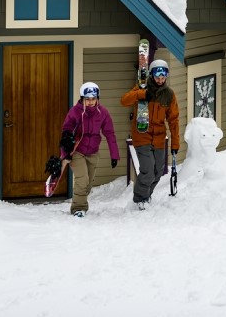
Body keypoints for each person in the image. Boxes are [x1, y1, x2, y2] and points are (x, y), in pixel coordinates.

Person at [121, 59, 180, 209]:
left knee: (158, 171)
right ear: (151, 75)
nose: (160, 80)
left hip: (159, 138)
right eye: (157, 76)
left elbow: (173, 121)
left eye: (163, 76)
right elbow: (124, 101)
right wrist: (141, 94)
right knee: (147, 170)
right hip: (142, 135)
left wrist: (175, 143)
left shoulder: (169, 95)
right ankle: (139, 200)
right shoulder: (141, 88)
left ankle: (147, 195)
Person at [60, 81, 120, 218]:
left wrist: (114, 155)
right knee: (82, 179)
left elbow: (110, 133)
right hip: (77, 151)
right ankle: (78, 208)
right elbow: (66, 133)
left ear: (97, 98)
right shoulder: (75, 112)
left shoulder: (103, 113)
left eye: (93, 99)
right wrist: (65, 154)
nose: (91, 102)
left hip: (93, 152)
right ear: (82, 99)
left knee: (88, 183)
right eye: (87, 99)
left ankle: (80, 202)